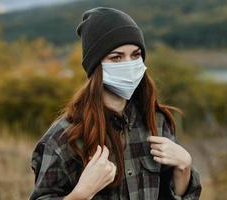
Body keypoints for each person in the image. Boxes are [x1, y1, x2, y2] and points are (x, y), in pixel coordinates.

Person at [29, 7, 202, 200]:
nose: (129, 64)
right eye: (116, 57)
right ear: (95, 65)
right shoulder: (63, 137)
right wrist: (81, 194)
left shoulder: (157, 121)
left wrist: (184, 168)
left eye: (135, 55)